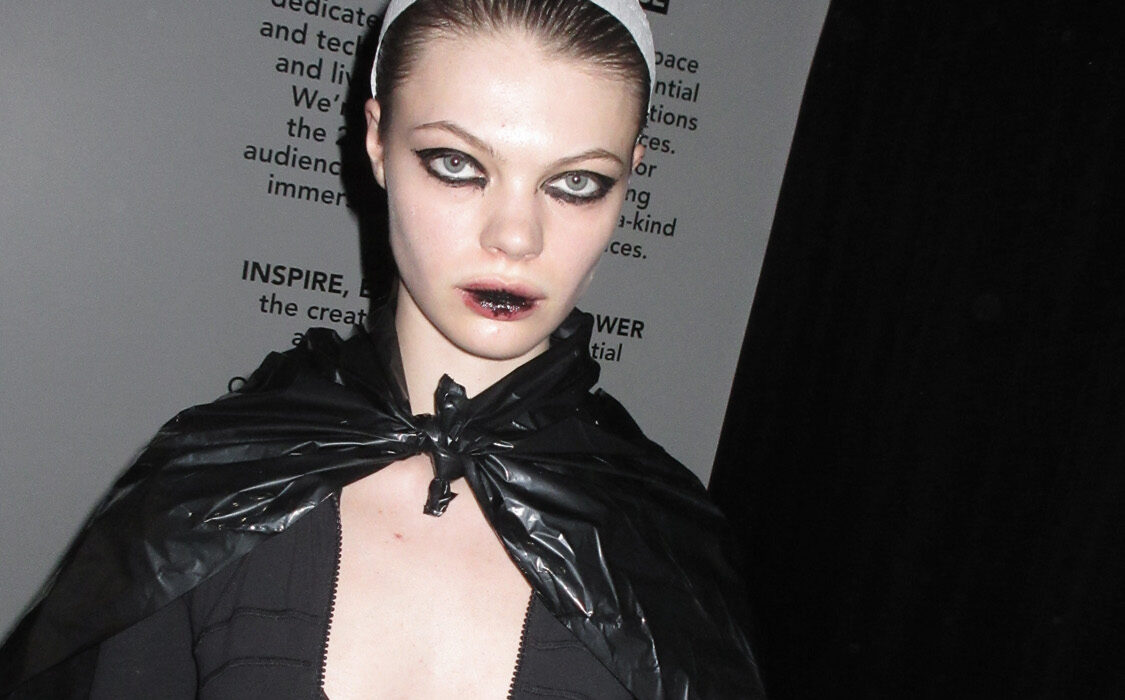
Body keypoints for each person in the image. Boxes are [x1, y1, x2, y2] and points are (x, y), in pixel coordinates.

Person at [0, 1, 764, 698]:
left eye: (576, 183)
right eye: (457, 164)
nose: (515, 237)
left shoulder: (666, 544)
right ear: (375, 140)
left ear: (629, 178)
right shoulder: (213, 488)